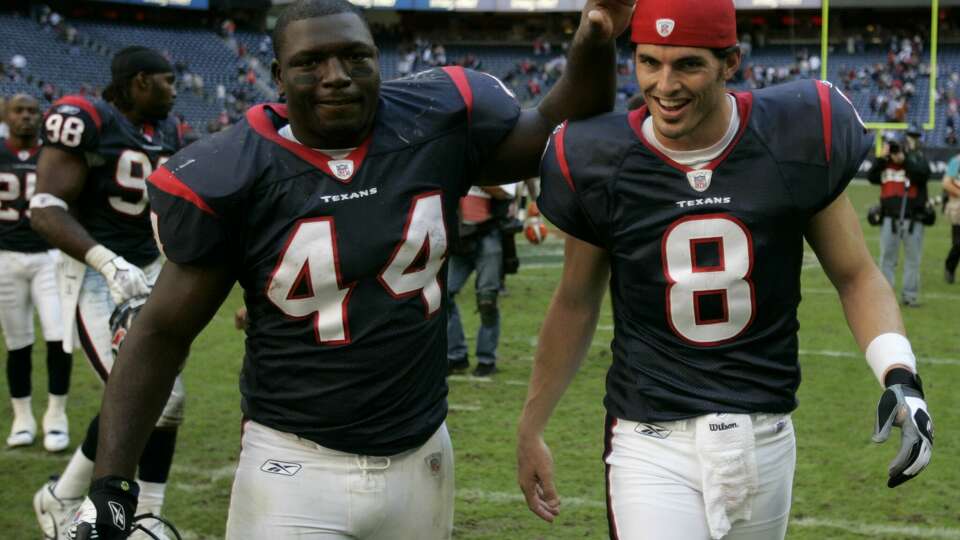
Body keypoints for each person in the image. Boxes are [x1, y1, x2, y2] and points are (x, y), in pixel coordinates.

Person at [67, 0, 635, 538]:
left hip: (422, 452)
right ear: (278, 75)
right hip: (293, 461)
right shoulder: (235, 170)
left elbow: (561, 126)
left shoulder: (433, 125)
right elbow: (163, 332)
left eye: (354, 57)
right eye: (310, 63)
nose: (336, 75)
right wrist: (113, 485)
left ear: (376, 60)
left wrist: (593, 37)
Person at [516, 2, 934, 539]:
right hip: (651, 440)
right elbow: (574, 301)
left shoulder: (794, 137)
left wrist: (901, 375)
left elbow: (855, 275)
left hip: (765, 436)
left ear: (730, 61)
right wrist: (532, 425)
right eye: (649, 62)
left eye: (687, 64)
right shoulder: (604, 159)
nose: (664, 84)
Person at [28, 46, 182, 540]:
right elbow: (47, 208)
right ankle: (133, 518)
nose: (175, 90)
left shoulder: (169, 131)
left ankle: (68, 500)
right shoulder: (87, 118)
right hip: (95, 272)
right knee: (153, 395)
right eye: (166, 80)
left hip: (150, 271)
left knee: (154, 397)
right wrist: (105, 260)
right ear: (139, 82)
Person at [0, 93, 73, 452]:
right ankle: (23, 416)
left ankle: (56, 415)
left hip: (49, 256)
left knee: (60, 337)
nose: (26, 117)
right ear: (5, 114)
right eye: (19, 111)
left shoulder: (52, 154)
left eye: (32, 111)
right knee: (18, 342)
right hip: (6, 258)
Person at [447, 182, 518, 376]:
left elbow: (505, 194)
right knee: (443, 297)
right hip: (460, 236)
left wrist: (477, 177)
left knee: (487, 300)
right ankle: (456, 355)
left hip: (488, 233)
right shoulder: (456, 160)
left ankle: (486, 359)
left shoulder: (499, 163)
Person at [867, 125, 932, 307]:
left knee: (913, 259)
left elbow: (923, 174)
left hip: (913, 219)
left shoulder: (916, 159)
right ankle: (886, 298)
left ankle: (909, 296)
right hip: (888, 218)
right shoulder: (884, 163)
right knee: (887, 258)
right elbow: (871, 176)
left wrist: (905, 160)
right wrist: (883, 158)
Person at [942, 152, 960, 283]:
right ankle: (950, 267)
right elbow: (946, 183)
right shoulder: (956, 162)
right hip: (957, 206)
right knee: (958, 243)